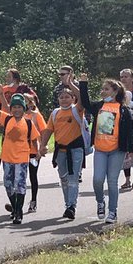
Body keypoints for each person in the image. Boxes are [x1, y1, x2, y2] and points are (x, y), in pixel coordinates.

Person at [80, 77, 133, 225]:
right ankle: (100, 202)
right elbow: (85, 102)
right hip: (100, 149)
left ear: (115, 91)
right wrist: (83, 84)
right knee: (97, 179)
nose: (103, 92)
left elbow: (130, 131)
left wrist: (132, 149)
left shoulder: (123, 110)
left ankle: (112, 211)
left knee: (112, 181)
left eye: (106, 89)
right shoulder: (99, 106)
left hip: (116, 150)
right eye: (102, 89)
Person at [38, 83, 89, 220]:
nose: (64, 99)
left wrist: (70, 83)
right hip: (60, 151)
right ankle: (68, 205)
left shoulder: (77, 110)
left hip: (76, 150)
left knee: (73, 179)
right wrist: (42, 146)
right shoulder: (55, 113)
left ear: (73, 99)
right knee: (64, 179)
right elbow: (48, 130)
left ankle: (72, 206)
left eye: (67, 97)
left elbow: (82, 97)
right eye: (61, 97)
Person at [0, 92, 35, 224]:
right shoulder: (7, 119)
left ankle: (18, 212)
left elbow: (34, 139)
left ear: (24, 108)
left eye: (20, 107)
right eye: (14, 107)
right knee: (8, 183)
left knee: (19, 184)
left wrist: (39, 151)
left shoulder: (28, 122)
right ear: (11, 109)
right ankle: (14, 207)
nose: (17, 109)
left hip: (22, 158)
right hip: (7, 157)